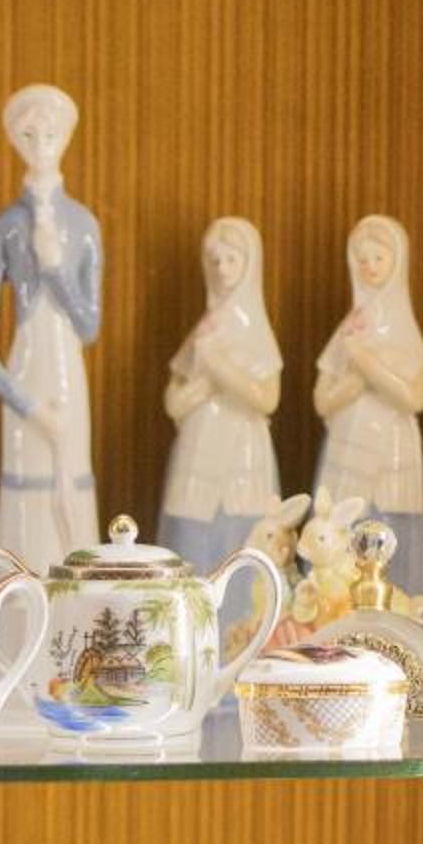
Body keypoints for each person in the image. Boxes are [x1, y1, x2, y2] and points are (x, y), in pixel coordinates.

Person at [0, 84, 103, 567]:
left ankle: (74, 600)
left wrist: (54, 268)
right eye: (29, 134)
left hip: (68, 374)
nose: (42, 144)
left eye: (51, 133)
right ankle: (16, 602)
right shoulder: (5, 227)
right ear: (15, 141)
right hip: (27, 379)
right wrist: (28, 405)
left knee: (70, 486)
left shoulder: (83, 225)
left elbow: (88, 326)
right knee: (29, 489)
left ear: (66, 137)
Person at [312, 214, 423, 597]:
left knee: (391, 537)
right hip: (348, 444)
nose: (369, 267)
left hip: (392, 448)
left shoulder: (403, 328)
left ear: (397, 262)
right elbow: (322, 400)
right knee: (343, 535)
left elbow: (415, 398)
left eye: (378, 258)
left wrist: (367, 366)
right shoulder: (350, 329)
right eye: (362, 259)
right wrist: (354, 381)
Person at [157, 216, 284, 575]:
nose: (222, 269)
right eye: (214, 261)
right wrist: (207, 383)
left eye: (231, 260)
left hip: (241, 448)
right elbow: (174, 402)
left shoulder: (255, 330)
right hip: (198, 443)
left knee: (240, 542)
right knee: (191, 539)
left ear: (249, 264)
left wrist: (219, 368)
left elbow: (267, 399)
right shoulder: (205, 330)